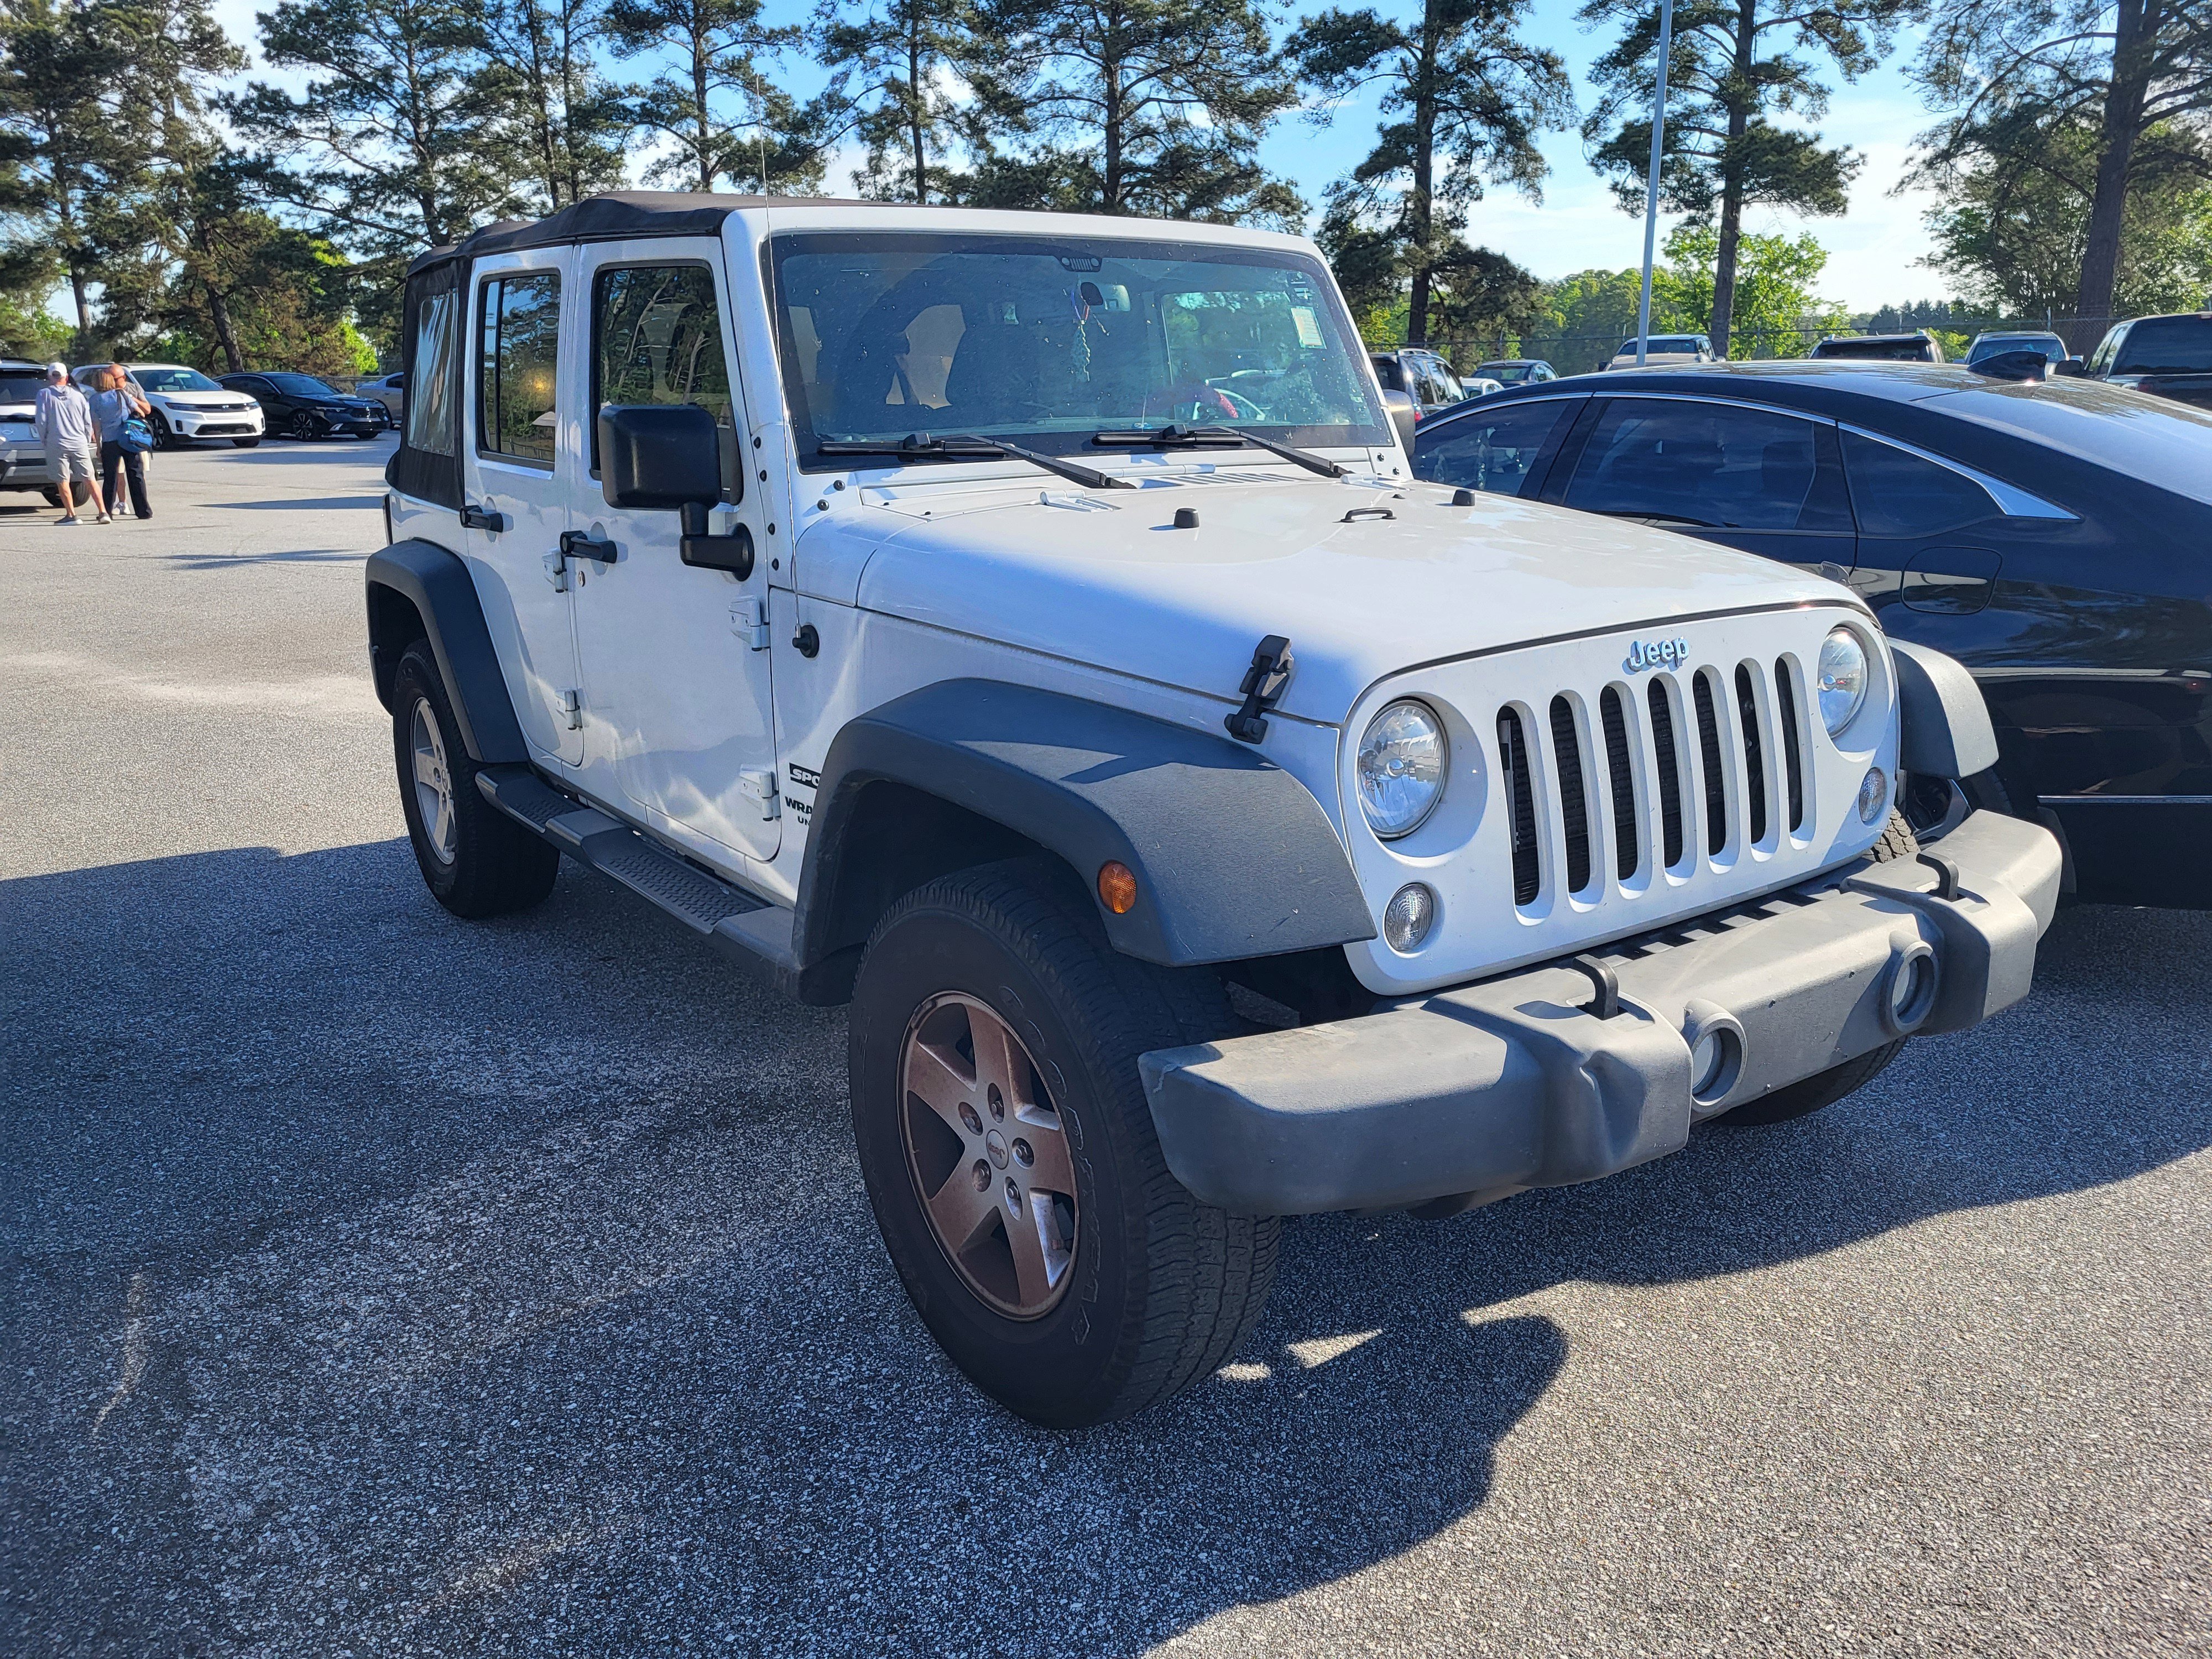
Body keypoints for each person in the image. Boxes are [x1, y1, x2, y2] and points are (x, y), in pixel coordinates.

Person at [33, 363, 104, 524]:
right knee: (90, 478)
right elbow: (87, 421)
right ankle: (103, 512)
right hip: (79, 442)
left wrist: (44, 440)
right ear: (66, 377)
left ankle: (71, 515)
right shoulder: (78, 395)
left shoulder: (44, 394)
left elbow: (41, 420)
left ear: (50, 377)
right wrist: (86, 439)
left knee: (62, 480)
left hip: (56, 442)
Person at [92, 363, 152, 521]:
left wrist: (99, 446)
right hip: (128, 439)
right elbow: (140, 411)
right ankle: (143, 511)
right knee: (136, 474)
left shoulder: (94, 399)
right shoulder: (121, 394)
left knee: (110, 478)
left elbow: (96, 425)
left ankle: (106, 511)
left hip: (110, 441)